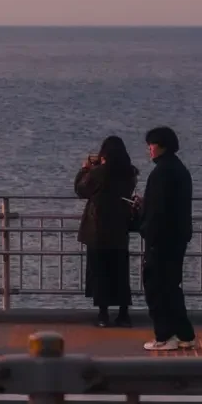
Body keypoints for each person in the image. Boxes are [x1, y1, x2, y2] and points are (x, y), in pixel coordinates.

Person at [138, 125, 196, 351]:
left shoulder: (161, 172)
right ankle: (185, 334)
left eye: (151, 145)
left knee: (156, 287)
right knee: (172, 287)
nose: (149, 150)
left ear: (161, 146)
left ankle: (164, 336)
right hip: (177, 239)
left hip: (161, 241)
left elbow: (158, 211)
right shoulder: (179, 169)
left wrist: (146, 229)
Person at [74, 135, 139, 327]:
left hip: (98, 229)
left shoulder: (99, 173)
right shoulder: (129, 173)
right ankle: (123, 314)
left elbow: (81, 190)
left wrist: (85, 169)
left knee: (100, 271)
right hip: (119, 228)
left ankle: (103, 315)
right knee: (120, 272)